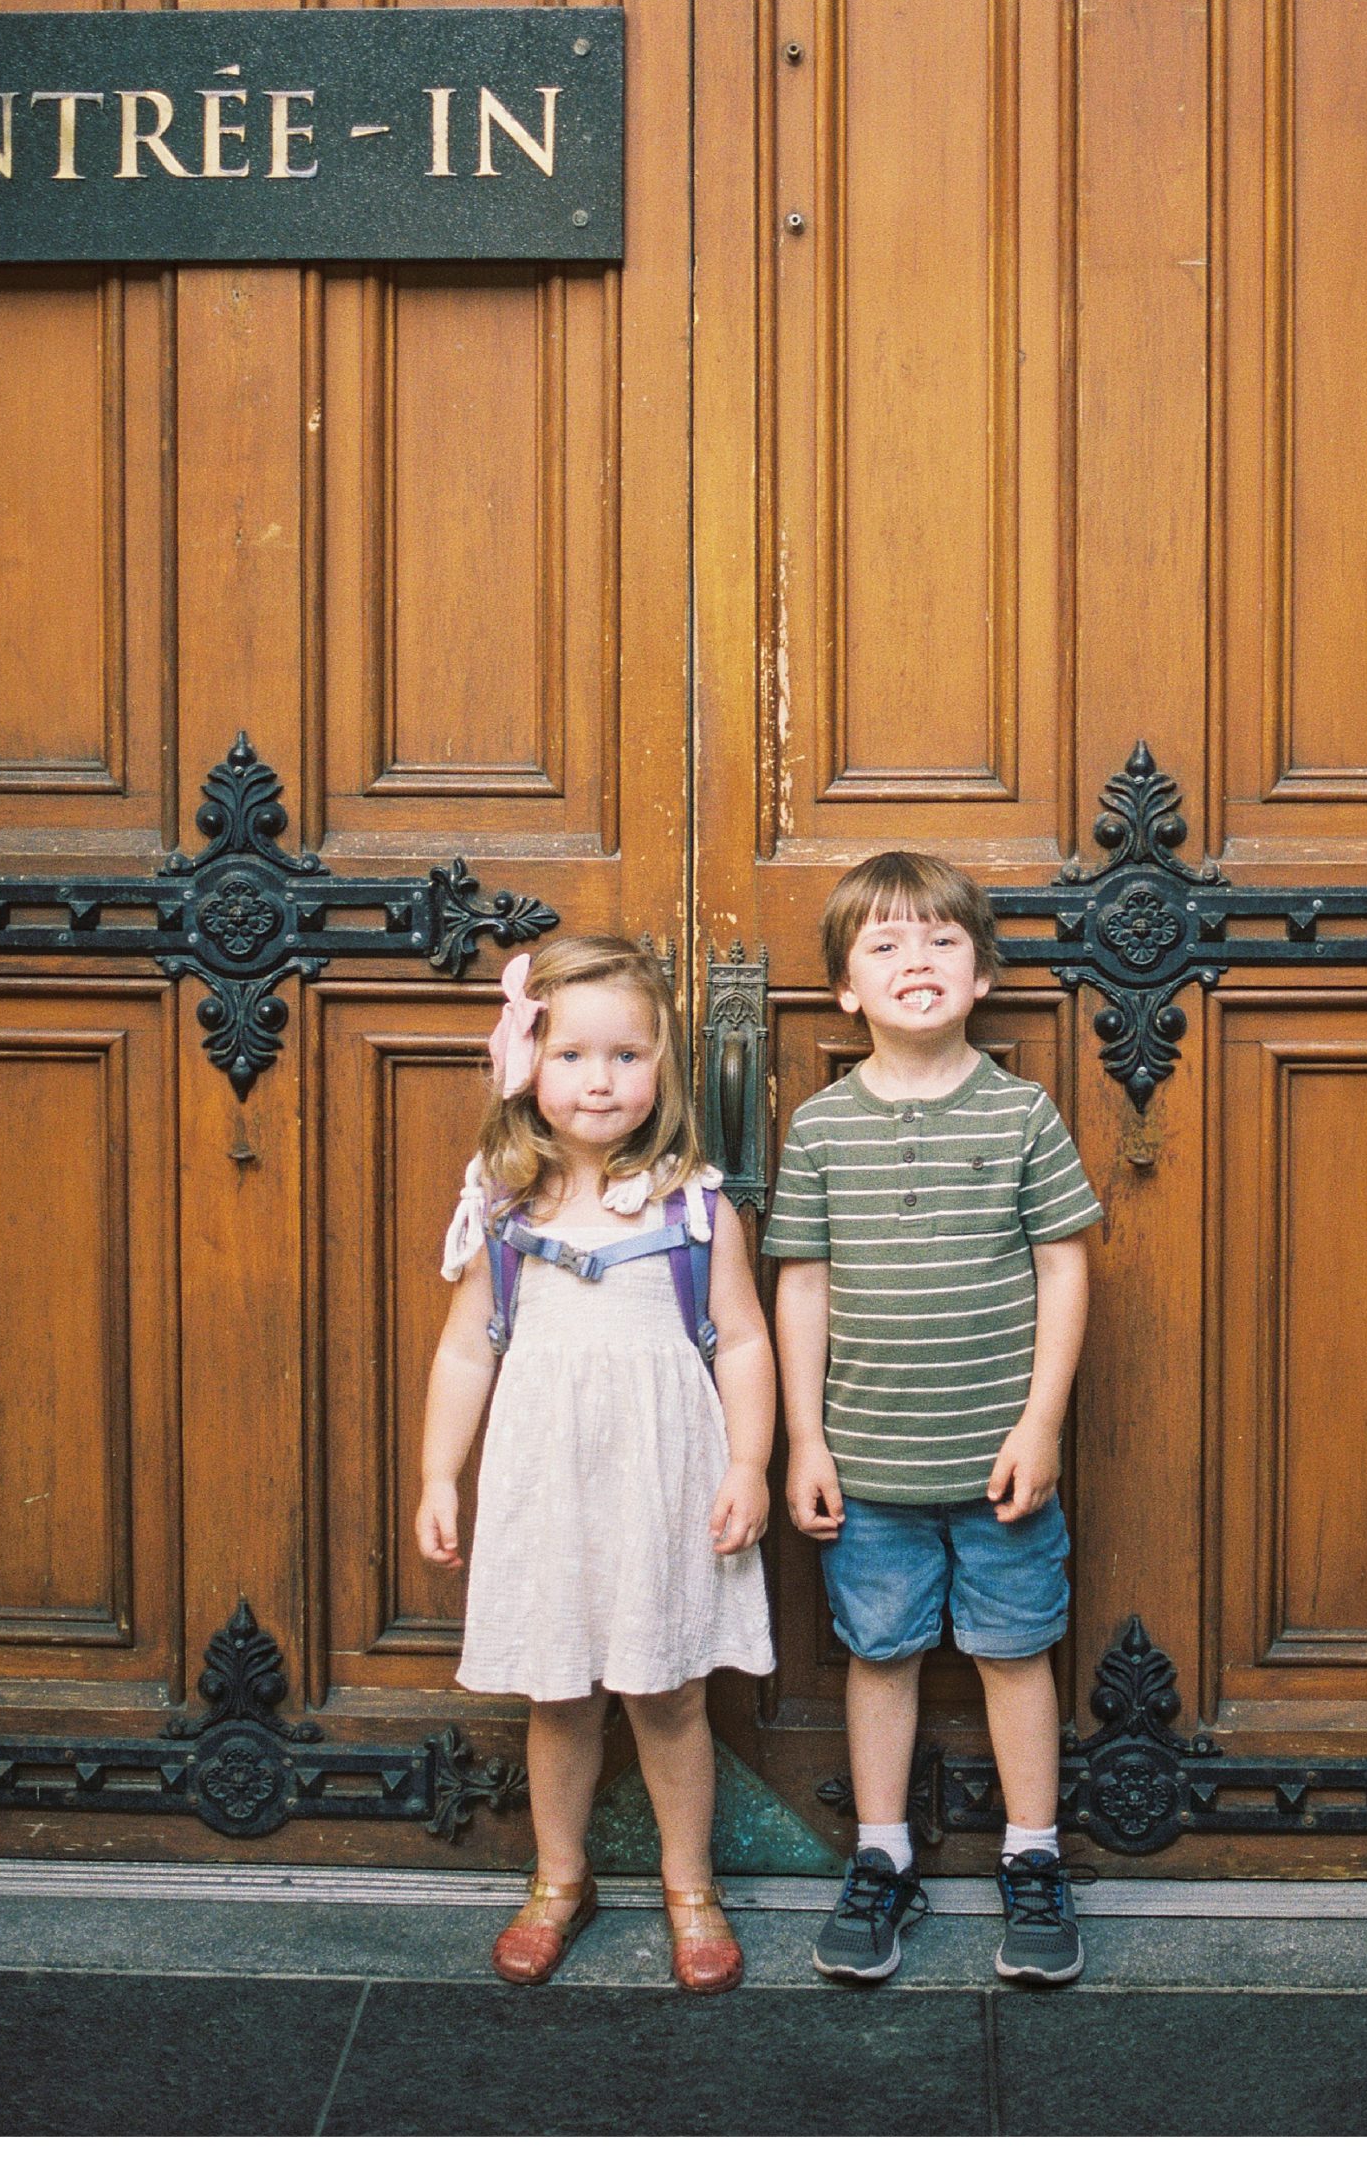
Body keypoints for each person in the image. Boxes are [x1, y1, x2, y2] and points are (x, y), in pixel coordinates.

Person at [766, 852, 1102, 1987]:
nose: (916, 959)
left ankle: (1032, 1855)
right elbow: (799, 1285)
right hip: (867, 1470)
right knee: (881, 1653)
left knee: (1014, 1653)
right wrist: (804, 1441)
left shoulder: (1018, 1112)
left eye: (941, 939)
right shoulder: (819, 1127)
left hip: (1001, 1461)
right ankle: (880, 1856)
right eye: (883, 943)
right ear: (846, 993)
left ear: (982, 972)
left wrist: (1040, 1422)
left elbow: (1063, 1269)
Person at [416, 935, 776, 1993]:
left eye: (625, 1054)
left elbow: (745, 1341)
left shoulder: (696, 1208)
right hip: (546, 1488)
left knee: (667, 1694)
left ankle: (688, 1884)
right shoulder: (504, 1208)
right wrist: (441, 1472)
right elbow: (464, 1346)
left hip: (661, 1487)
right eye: (572, 1054)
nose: (599, 1078)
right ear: (527, 1064)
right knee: (557, 1694)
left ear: (661, 1067)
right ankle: (557, 1878)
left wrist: (748, 1462)